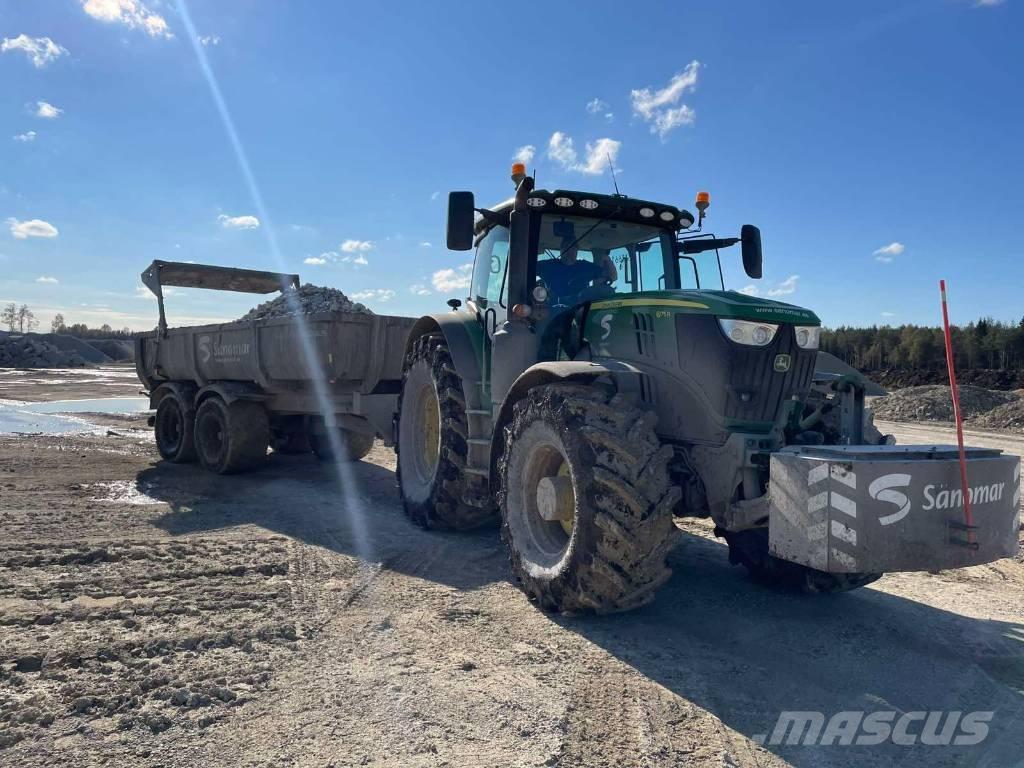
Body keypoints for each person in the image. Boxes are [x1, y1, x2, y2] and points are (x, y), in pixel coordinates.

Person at [537, 239, 617, 304]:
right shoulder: (548, 265)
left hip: (580, 310)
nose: (569, 251)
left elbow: (613, 277)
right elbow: (527, 267)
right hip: (554, 311)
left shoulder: (585, 266)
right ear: (561, 250)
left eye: (573, 248)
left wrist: (606, 258)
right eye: (566, 247)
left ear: (577, 250)